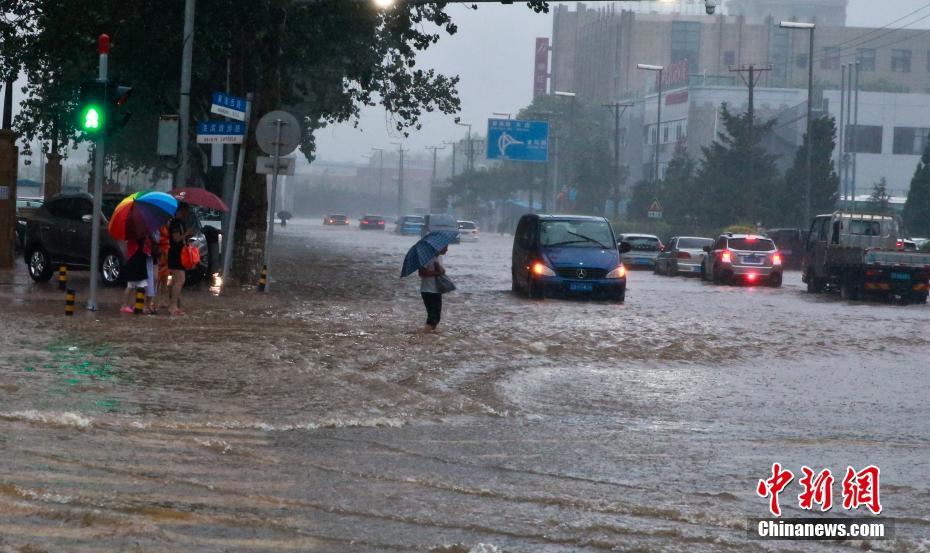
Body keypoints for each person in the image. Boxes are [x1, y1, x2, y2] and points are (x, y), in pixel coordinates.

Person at [167, 202, 193, 316]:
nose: (187, 214)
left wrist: (188, 235)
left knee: (175, 281)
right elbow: (176, 239)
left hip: (181, 255)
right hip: (175, 255)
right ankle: (173, 306)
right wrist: (186, 233)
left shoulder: (182, 223)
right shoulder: (175, 223)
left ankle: (174, 304)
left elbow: (182, 239)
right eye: (186, 211)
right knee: (180, 280)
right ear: (180, 211)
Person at [418, 245, 448, 333]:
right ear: (439, 247)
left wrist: (441, 271)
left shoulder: (437, 258)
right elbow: (421, 272)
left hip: (436, 290)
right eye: (445, 247)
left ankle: (430, 335)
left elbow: (440, 272)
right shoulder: (426, 258)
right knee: (432, 317)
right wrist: (437, 273)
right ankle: (422, 335)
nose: (447, 250)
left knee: (437, 317)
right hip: (427, 290)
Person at [120, 237, 151, 314]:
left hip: (138, 263)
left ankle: (135, 305)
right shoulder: (137, 237)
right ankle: (125, 305)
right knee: (131, 286)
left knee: (137, 286)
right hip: (135, 263)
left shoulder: (138, 236)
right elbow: (145, 250)